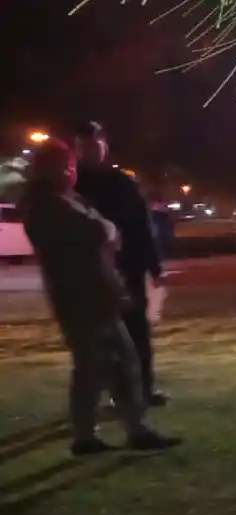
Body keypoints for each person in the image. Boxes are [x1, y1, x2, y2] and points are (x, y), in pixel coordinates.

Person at [20, 141, 179, 455]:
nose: (70, 171)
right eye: (62, 165)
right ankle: (90, 436)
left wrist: (105, 232)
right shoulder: (46, 206)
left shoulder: (69, 200)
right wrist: (105, 230)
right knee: (93, 366)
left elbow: (104, 231)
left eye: (71, 165)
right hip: (79, 297)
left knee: (122, 362)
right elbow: (98, 231)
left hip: (99, 292)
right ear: (44, 170)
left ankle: (133, 429)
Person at [73, 121, 168, 407]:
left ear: (105, 146)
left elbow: (141, 226)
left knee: (137, 331)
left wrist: (153, 265)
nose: (91, 151)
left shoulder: (122, 183)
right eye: (84, 146)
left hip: (129, 269)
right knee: (101, 338)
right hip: (91, 272)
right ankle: (112, 394)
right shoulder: (72, 186)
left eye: (96, 144)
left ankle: (144, 388)